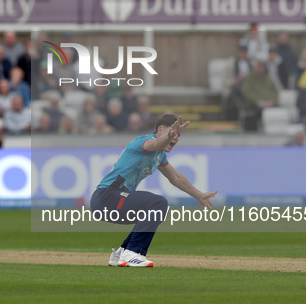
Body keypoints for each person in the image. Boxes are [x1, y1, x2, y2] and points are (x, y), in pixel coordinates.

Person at [90, 114, 217, 267]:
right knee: (158, 204)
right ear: (160, 130)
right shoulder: (143, 142)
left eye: (179, 134)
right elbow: (154, 144)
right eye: (173, 131)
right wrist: (170, 135)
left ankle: (121, 253)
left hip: (113, 200)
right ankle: (133, 253)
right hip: (107, 197)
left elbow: (175, 177)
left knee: (150, 212)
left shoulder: (160, 155)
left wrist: (199, 195)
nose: (176, 137)